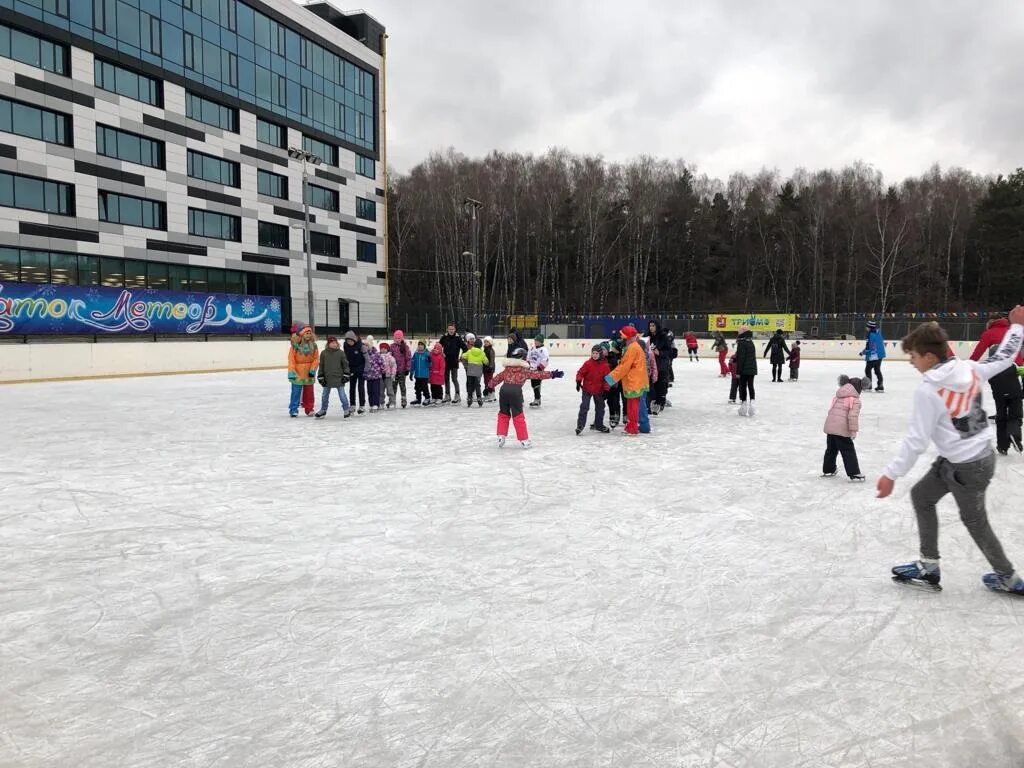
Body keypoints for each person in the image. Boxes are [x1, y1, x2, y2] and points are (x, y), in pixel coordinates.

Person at [878, 311, 1024, 596]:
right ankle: (929, 566)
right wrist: (1017, 326)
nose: (912, 362)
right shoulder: (970, 369)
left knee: (975, 522)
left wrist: (891, 474)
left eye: (914, 357)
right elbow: (1005, 356)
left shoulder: (929, 390)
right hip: (968, 459)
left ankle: (1008, 577)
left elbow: (916, 441)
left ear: (930, 357)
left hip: (967, 466)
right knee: (921, 496)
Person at [969, 315, 1023, 455]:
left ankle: (1002, 446)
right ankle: (1014, 432)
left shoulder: (989, 333)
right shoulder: (1013, 329)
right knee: (1016, 410)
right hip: (1015, 368)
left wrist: (967, 367)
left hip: (996, 373)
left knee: (1001, 411)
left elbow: (977, 353)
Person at [491, 347, 563, 448]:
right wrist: (552, 374)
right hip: (515, 392)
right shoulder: (524, 370)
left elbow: (497, 378)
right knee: (518, 416)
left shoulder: (507, 369)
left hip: (503, 391)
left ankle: (501, 436)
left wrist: (489, 386)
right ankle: (524, 440)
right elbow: (538, 375)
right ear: (523, 358)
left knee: (503, 414)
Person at [604, 325, 650, 436]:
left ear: (628, 337)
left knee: (632, 406)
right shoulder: (634, 346)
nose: (622, 339)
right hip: (637, 380)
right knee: (633, 405)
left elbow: (624, 367)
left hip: (634, 381)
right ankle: (637, 426)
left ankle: (632, 427)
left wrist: (610, 379)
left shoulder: (632, 348)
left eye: (624, 337)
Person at [822, 375, 865, 480]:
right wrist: (853, 431)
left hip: (831, 427)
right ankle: (854, 473)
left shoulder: (838, 396)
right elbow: (852, 416)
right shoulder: (855, 400)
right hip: (842, 429)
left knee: (831, 450)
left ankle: (829, 470)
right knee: (848, 450)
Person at [575, 344, 611, 435]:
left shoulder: (605, 365)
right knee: (584, 406)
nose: (594, 355)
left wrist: (606, 390)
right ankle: (580, 425)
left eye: (596, 353)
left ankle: (599, 425)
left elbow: (608, 379)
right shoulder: (588, 363)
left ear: (600, 354)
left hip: (599, 390)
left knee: (600, 408)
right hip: (587, 389)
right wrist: (578, 381)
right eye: (593, 353)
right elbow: (580, 372)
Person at [315, 335, 352, 419]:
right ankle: (323, 410)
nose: (334, 344)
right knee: (324, 395)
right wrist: (320, 376)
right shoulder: (324, 353)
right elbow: (321, 366)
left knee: (342, 395)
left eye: (335, 342)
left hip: (339, 378)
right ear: (328, 344)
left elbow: (346, 365)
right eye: (332, 343)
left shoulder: (340, 353)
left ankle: (346, 409)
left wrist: (346, 375)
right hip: (327, 378)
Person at [287, 325, 319, 418]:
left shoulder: (314, 345)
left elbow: (316, 359)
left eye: (309, 333)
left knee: (309, 392)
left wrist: (313, 369)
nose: (308, 335)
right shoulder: (295, 346)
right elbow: (291, 360)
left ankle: (309, 409)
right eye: (306, 333)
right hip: (297, 372)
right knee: (296, 392)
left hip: (309, 372)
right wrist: (292, 372)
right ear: (301, 334)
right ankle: (293, 409)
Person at [646, 319, 674, 414]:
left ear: (657, 326)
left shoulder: (663, 337)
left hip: (661, 365)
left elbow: (670, 351)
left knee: (660, 385)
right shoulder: (647, 337)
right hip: (650, 365)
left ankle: (660, 402)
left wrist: (659, 352)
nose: (651, 328)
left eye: (653, 326)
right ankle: (652, 402)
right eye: (650, 326)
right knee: (651, 385)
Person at [439, 324, 467, 403]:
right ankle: (447, 395)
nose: (451, 330)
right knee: (446, 379)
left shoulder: (458, 338)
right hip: (445, 362)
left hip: (454, 362)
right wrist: (441, 353)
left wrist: (461, 357)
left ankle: (457, 395)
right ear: (447, 329)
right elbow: (438, 346)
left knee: (454, 379)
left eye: (452, 329)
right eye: (450, 329)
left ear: (455, 330)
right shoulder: (444, 337)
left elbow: (465, 348)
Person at [734, 326, 757, 416]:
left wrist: (738, 372)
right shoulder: (751, 342)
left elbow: (741, 358)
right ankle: (752, 403)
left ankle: (743, 405)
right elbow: (748, 356)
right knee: (751, 385)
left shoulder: (741, 343)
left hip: (744, 369)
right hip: (752, 368)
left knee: (743, 386)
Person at [343, 330, 366, 414]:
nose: (349, 342)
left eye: (351, 341)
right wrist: (346, 369)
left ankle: (362, 405)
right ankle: (352, 405)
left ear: (354, 339)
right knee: (352, 388)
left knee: (361, 387)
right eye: (347, 341)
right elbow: (345, 358)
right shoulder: (346, 346)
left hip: (361, 369)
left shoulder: (361, 346)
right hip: (351, 370)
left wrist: (366, 370)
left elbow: (367, 359)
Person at [861, 320, 887, 392]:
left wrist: (863, 352)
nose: (866, 327)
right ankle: (880, 386)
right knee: (877, 370)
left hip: (873, 355)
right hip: (880, 355)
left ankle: (868, 386)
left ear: (870, 327)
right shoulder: (878, 333)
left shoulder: (870, 335)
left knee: (868, 370)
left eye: (867, 326)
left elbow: (870, 347)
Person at [461, 338, 488, 407]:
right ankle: (479, 397)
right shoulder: (482, 353)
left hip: (470, 369)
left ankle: (469, 398)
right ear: (481, 346)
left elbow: (463, 356)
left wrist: (466, 361)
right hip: (478, 370)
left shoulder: (470, 351)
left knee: (470, 384)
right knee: (477, 385)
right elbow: (486, 361)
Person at [604, 335, 623, 428]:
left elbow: (617, 371)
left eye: (613, 348)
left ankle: (617, 415)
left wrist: (612, 382)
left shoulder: (615, 359)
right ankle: (613, 415)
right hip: (608, 384)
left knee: (616, 400)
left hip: (615, 383)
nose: (612, 349)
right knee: (610, 401)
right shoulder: (603, 359)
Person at [390, 330, 412, 408]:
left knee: (402, 386)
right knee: (393, 386)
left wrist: (407, 369)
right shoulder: (392, 347)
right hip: (394, 371)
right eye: (396, 338)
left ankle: (404, 399)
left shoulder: (405, 347)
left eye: (399, 338)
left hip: (402, 370)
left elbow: (408, 358)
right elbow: (389, 358)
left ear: (402, 338)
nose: (397, 340)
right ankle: (393, 400)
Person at [527, 334, 550, 407]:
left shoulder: (543, 350)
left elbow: (545, 359)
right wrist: (527, 365)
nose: (535, 342)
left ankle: (537, 399)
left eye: (537, 341)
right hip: (531, 369)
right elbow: (528, 357)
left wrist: (540, 368)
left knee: (536, 384)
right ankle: (537, 399)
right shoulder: (532, 349)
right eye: (535, 340)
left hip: (538, 370)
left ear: (541, 342)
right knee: (533, 384)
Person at [364, 342, 385, 413]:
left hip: (376, 376)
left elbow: (381, 363)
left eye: (367, 345)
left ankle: (376, 404)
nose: (366, 347)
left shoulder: (376, 354)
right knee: (370, 391)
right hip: (368, 377)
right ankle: (371, 404)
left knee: (376, 391)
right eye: (365, 346)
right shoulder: (364, 354)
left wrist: (383, 372)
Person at [410, 340, 431, 406]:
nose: (420, 346)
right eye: (419, 345)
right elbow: (413, 364)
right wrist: (411, 373)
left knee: (425, 387)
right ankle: (418, 399)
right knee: (417, 388)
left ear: (424, 346)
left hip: (424, 375)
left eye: (421, 345)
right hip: (417, 375)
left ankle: (427, 398)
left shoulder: (427, 354)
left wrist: (429, 361)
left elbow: (430, 365)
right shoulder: (416, 354)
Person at [380, 342, 398, 409]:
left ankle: (392, 402)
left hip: (388, 377)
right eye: (382, 348)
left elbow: (394, 366)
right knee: (380, 391)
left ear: (387, 349)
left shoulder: (390, 357)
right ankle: (381, 403)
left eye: (385, 348)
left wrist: (393, 374)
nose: (383, 350)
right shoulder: (378, 356)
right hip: (380, 377)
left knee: (390, 390)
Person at [428, 341, 446, 405]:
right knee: (432, 386)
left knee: (438, 387)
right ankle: (434, 397)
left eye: (437, 349)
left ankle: (439, 398)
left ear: (440, 350)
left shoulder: (441, 357)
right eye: (435, 348)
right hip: (432, 374)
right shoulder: (431, 355)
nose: (436, 350)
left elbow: (442, 366)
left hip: (438, 375)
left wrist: (441, 373)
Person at [481, 336, 497, 402]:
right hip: (485, 368)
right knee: (486, 382)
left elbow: (492, 360)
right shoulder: (485, 349)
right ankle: (487, 394)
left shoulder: (491, 350)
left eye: (487, 342)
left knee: (490, 382)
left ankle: (492, 395)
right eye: (485, 342)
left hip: (489, 369)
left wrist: (490, 367)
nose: (486, 343)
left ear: (490, 342)